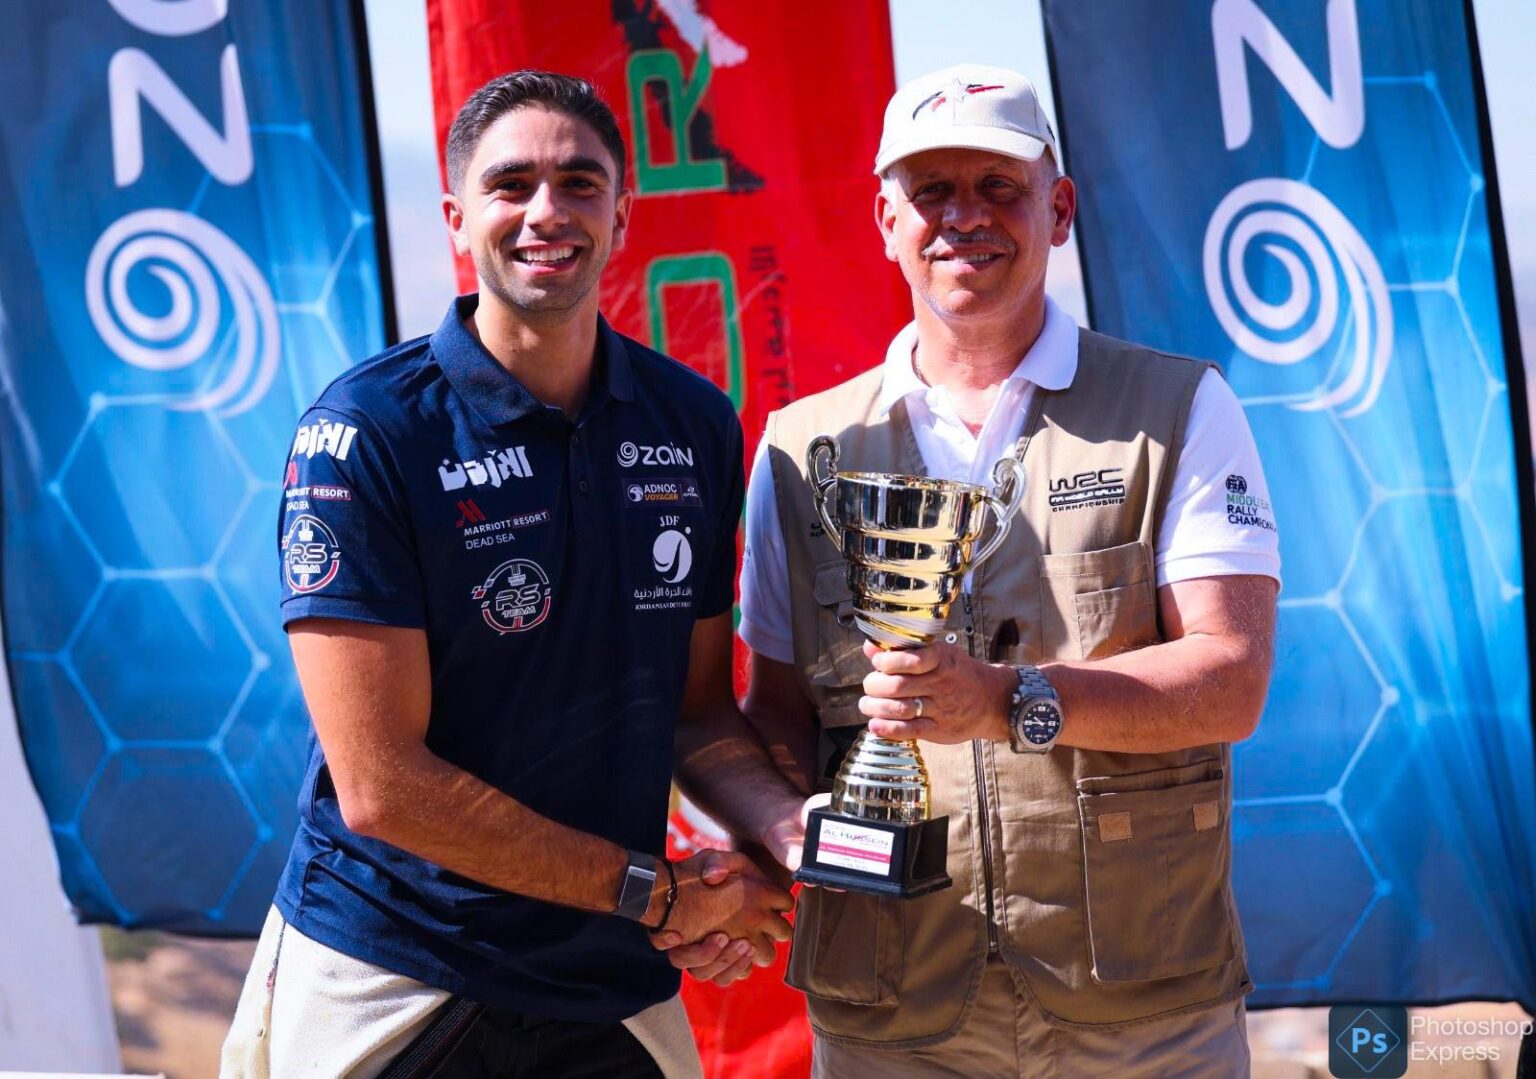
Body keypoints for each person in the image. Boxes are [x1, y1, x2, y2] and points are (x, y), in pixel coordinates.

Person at [686, 63, 1282, 1076]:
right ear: (886, 220)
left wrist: (1008, 699)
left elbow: (1231, 677)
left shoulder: (1179, 408)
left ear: (1060, 208)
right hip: (892, 1010)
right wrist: (765, 858)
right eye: (932, 191)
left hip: (1141, 1008)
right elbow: (779, 712)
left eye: (999, 186)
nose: (964, 216)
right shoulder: (797, 449)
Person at [221, 70, 808, 1079]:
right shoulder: (366, 431)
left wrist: (784, 836)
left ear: (622, 214)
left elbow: (698, 711)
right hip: (399, 970)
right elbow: (383, 788)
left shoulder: (692, 421)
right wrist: (661, 893)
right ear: (458, 217)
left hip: (610, 978)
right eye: (511, 184)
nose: (547, 211)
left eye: (580, 183)